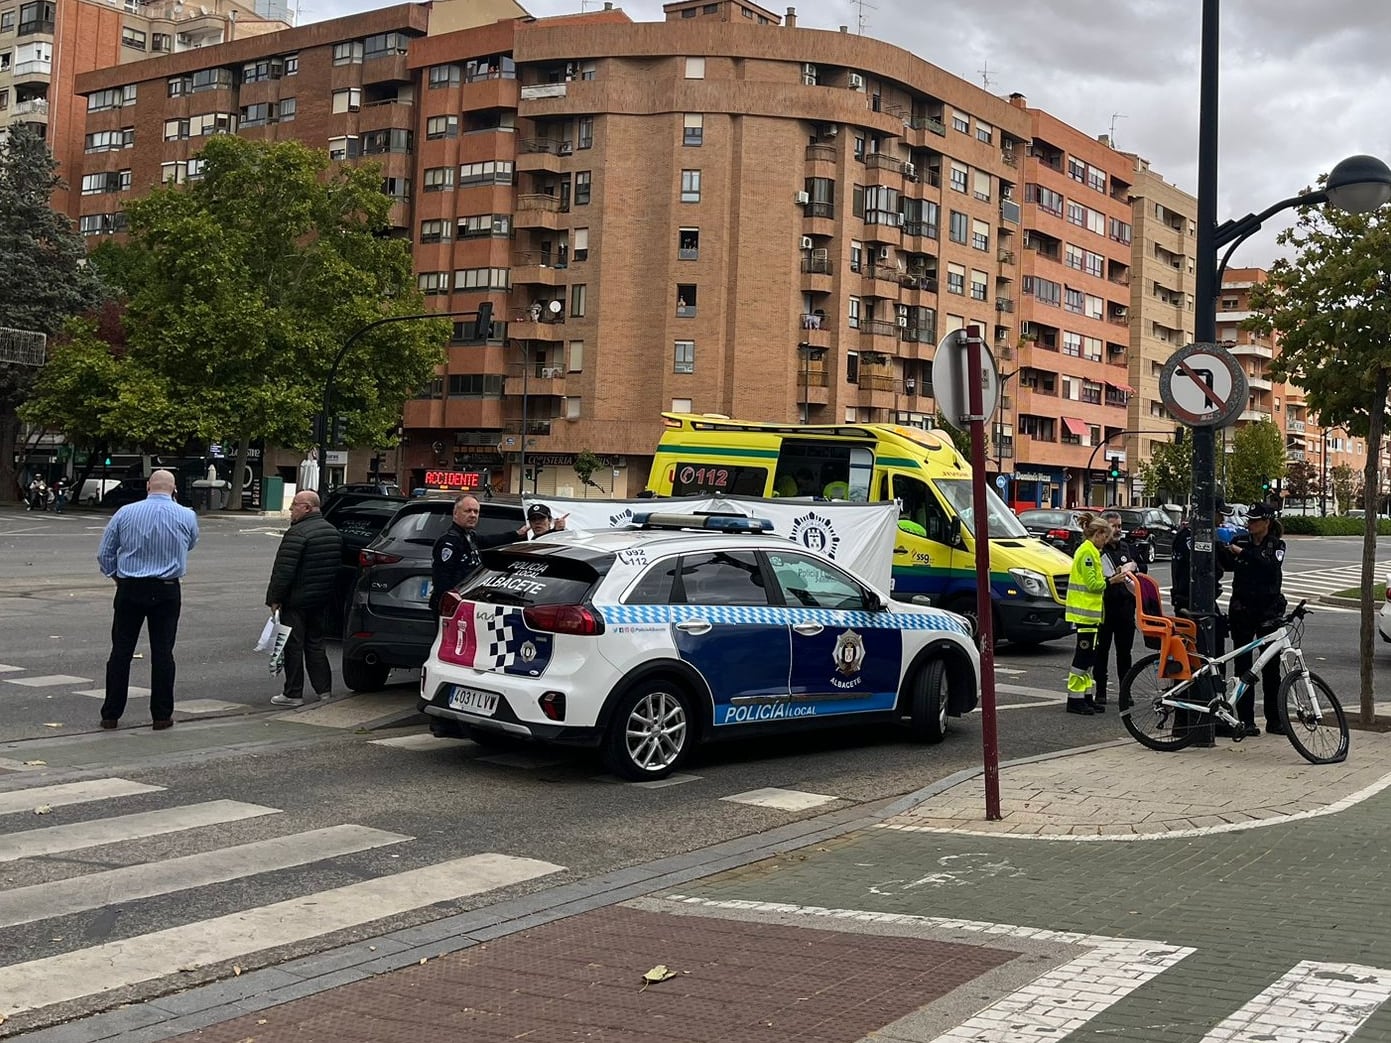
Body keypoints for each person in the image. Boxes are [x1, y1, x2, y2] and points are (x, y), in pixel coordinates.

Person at [96, 470, 199, 730]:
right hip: (166, 589)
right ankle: (161, 715)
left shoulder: (125, 512)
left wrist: (117, 577)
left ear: (147, 486)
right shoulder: (186, 515)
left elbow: (105, 552)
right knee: (163, 653)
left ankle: (111, 713)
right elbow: (190, 543)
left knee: (121, 651)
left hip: (130, 587)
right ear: (174, 490)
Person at [264, 490, 343, 707]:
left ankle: (293, 693)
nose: (291, 510)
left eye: (294, 506)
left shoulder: (298, 533)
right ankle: (324, 691)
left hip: (296, 600)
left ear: (307, 507)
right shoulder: (332, 532)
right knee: (316, 645)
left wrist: (274, 598)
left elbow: (284, 570)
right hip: (320, 599)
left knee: (293, 646)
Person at [1217, 502, 1286, 736]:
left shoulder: (1276, 545)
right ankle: (1246, 720)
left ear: (1266, 522)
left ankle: (1274, 720)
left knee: (1270, 668)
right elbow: (1228, 564)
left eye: (1255, 520)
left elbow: (1269, 566)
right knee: (1243, 666)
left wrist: (1243, 553)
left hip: (1268, 613)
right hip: (1243, 611)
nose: (1250, 524)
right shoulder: (1240, 541)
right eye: (1249, 520)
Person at [429, 493, 529, 613]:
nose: (473, 515)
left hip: (467, 603)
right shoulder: (449, 542)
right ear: (455, 513)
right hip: (451, 607)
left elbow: (491, 540)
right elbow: (442, 581)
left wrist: (517, 534)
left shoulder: (470, 536)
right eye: (468, 511)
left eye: (476, 512)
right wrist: (450, 607)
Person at [1091, 511, 1146, 712]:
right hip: (1105, 608)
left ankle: (1125, 690)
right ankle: (1101, 691)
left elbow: (1142, 570)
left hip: (1125, 609)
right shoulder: (1098, 549)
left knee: (1125, 653)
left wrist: (1134, 567)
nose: (1117, 530)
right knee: (1101, 652)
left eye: (1119, 526)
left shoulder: (1127, 547)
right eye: (1113, 526)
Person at [1063, 518, 1114, 715]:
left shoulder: (1092, 552)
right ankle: (1074, 699)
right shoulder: (1087, 553)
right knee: (1083, 657)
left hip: (1091, 614)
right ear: (1098, 533)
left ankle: (1084, 696)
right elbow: (1093, 584)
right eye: (1105, 536)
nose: (1106, 541)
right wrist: (1111, 581)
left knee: (1089, 657)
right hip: (1084, 613)